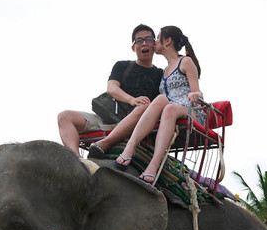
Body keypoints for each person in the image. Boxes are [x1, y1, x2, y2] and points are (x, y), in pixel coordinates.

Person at [115, 26, 205, 184]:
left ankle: (154, 164)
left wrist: (194, 94)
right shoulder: (164, 71)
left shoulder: (185, 61)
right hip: (170, 109)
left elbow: (197, 91)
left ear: (167, 41)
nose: (154, 42)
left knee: (168, 107)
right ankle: (131, 146)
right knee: (161, 99)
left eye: (157, 38)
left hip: (191, 110)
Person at [57, 24, 163, 157]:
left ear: (154, 44)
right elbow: (112, 88)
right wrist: (131, 99)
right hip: (109, 118)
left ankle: (105, 143)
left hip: (138, 121)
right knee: (64, 116)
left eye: (148, 39)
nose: (144, 43)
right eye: (139, 41)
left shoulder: (161, 74)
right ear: (133, 47)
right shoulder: (122, 66)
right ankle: (77, 161)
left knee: (145, 106)